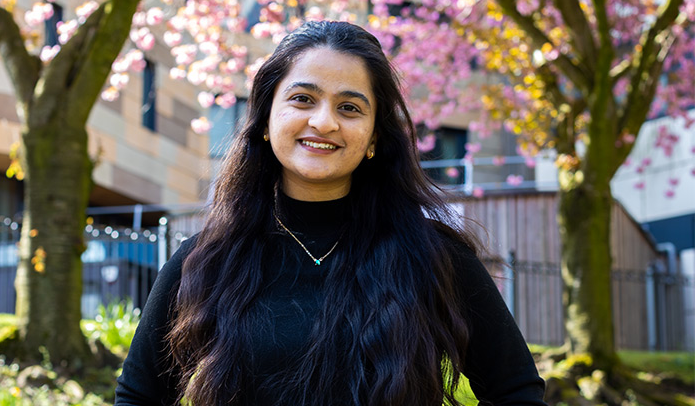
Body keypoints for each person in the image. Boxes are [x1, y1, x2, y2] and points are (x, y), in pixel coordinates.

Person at [115, 20, 547, 406]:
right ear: (266, 121)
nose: (323, 122)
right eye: (303, 99)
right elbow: (137, 397)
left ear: (374, 137)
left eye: (349, 107)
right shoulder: (204, 262)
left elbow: (517, 392)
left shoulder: (434, 257)